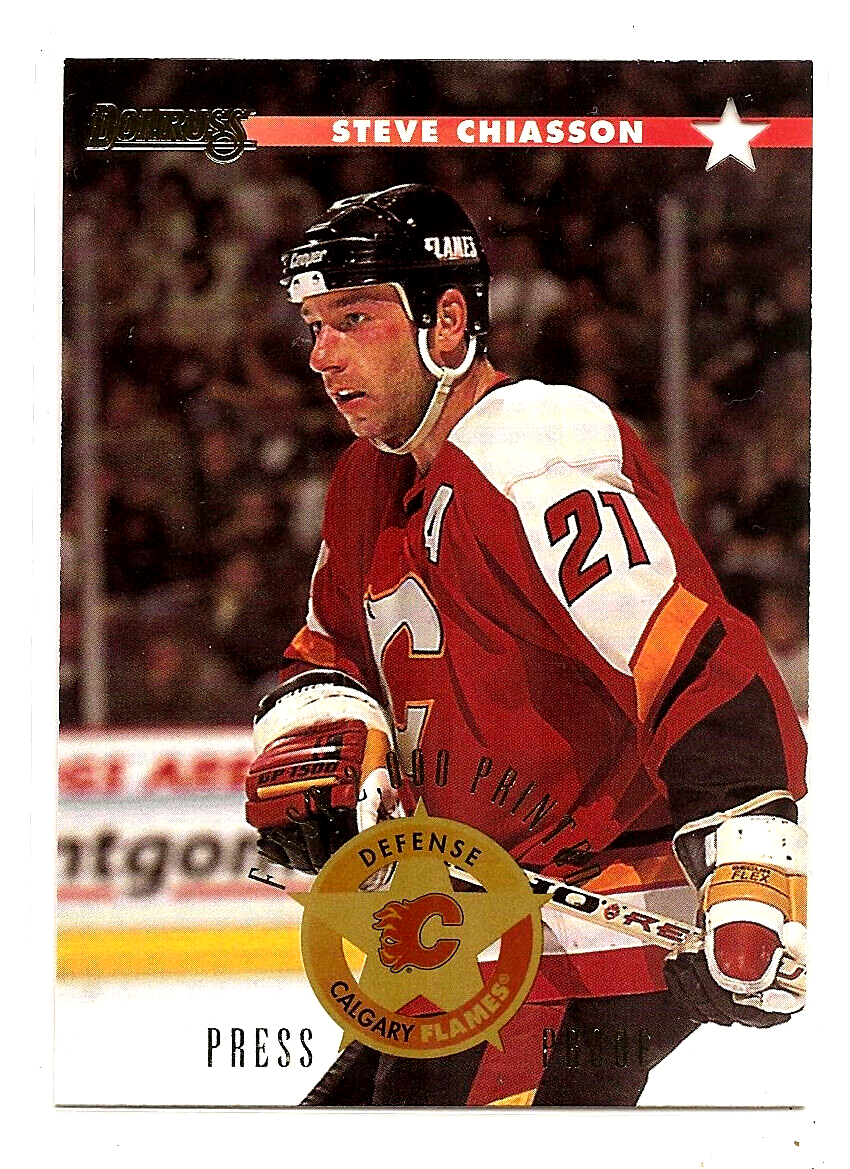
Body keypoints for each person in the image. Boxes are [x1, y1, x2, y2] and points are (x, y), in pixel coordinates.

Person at [244, 184, 808, 1107]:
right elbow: (330, 651)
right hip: (472, 918)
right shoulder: (363, 480)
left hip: (598, 920)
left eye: (353, 319)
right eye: (315, 326)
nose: (322, 355)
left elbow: (689, 656)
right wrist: (333, 736)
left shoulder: (532, 446)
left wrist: (750, 864)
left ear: (447, 321)